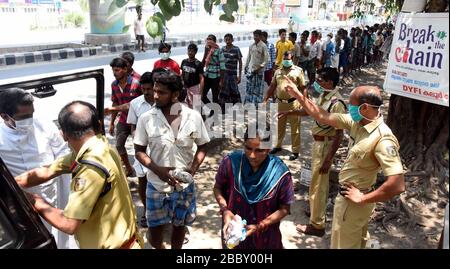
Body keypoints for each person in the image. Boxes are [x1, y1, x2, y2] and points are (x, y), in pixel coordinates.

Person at [283, 83, 405, 249]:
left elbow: (397, 184)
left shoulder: (382, 138)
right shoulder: (358, 123)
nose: (350, 109)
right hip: (354, 201)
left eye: (353, 105)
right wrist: (298, 96)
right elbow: (323, 116)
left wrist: (362, 198)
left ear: (365, 107)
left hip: (354, 203)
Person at [15, 101, 143, 249]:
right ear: (99, 125)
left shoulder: (89, 168)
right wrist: (13, 183)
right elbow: (48, 170)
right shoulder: (100, 146)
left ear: (63, 135)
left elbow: (69, 224)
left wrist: (33, 200)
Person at [134, 68, 210, 249]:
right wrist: (157, 170)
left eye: (162, 92)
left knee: (179, 225)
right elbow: (139, 150)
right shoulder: (146, 119)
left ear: (175, 94)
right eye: (154, 90)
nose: (155, 95)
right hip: (156, 186)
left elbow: (203, 145)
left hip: (184, 187)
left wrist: (192, 169)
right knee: (155, 228)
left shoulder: (193, 117)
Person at [0, 88, 76, 249]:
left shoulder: (43, 124)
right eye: (23, 117)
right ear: (5, 116)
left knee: (62, 237)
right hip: (21, 199)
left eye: (31, 114)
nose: (29, 119)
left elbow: (62, 151)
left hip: (54, 192)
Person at [279, 68, 346, 237]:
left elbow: (339, 134)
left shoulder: (337, 103)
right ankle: (317, 215)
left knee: (319, 186)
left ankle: (317, 225)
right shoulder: (324, 96)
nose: (317, 83)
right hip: (318, 145)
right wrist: (290, 112)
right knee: (316, 184)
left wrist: (328, 160)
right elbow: (311, 110)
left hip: (325, 146)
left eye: (320, 80)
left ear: (329, 82)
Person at [213, 125, 294, 249]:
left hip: (266, 238)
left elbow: (284, 208)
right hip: (234, 234)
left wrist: (261, 225)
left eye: (259, 150)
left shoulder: (280, 173)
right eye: (248, 148)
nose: (252, 155)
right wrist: (225, 210)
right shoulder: (231, 163)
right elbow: (218, 187)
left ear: (268, 149)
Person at [264, 51, 305, 161]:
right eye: (284, 58)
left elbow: (303, 87)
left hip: (294, 103)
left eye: (288, 58)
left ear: (292, 58)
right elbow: (272, 86)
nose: (286, 60)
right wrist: (265, 100)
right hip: (280, 103)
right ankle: (277, 146)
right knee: (278, 127)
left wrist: (304, 102)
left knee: (295, 129)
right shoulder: (277, 71)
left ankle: (295, 151)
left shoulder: (298, 71)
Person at [126, 72, 155, 228]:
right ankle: (146, 212)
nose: (146, 92)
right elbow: (133, 126)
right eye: (143, 88)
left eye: (149, 88)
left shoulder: (163, 102)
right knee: (142, 180)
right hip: (142, 148)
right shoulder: (135, 104)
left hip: (159, 149)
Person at [105, 57, 141, 177]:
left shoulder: (136, 84)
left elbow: (132, 105)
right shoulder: (114, 85)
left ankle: (142, 170)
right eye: (113, 71)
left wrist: (112, 110)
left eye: (117, 70)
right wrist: (111, 123)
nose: (115, 73)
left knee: (139, 146)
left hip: (137, 120)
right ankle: (129, 168)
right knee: (119, 145)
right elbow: (115, 103)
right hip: (123, 119)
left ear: (125, 69)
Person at [244, 29, 268, 104]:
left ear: (260, 37)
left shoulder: (263, 46)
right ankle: (249, 102)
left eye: (257, 36)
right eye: (254, 36)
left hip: (259, 72)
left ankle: (257, 104)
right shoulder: (251, 46)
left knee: (258, 89)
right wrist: (246, 66)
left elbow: (266, 59)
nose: (255, 37)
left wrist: (260, 67)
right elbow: (248, 57)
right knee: (249, 88)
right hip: (251, 70)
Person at [220, 33, 243, 109]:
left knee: (235, 91)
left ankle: (238, 108)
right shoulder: (222, 49)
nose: (227, 41)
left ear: (232, 40)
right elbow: (220, 62)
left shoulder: (236, 49)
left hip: (233, 75)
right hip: (224, 75)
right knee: (224, 91)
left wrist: (239, 76)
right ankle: (223, 108)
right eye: (226, 40)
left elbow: (240, 62)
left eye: (229, 39)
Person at [202, 34, 226, 106]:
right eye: (208, 39)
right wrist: (206, 52)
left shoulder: (218, 51)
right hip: (207, 75)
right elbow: (203, 64)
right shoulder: (207, 50)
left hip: (216, 76)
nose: (208, 41)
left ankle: (215, 111)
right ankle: (213, 109)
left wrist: (221, 81)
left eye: (210, 39)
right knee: (202, 95)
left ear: (214, 41)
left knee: (215, 97)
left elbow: (222, 67)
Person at [181, 43, 205, 109]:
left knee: (198, 107)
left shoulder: (198, 64)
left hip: (195, 88)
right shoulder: (184, 61)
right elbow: (182, 74)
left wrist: (201, 92)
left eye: (192, 51)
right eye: (189, 51)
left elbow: (202, 78)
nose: (190, 52)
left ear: (196, 52)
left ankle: (202, 118)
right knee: (187, 106)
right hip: (185, 87)